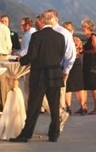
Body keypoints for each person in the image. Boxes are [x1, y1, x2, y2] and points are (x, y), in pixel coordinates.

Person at [10, 11, 65, 143]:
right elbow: (61, 55)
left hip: (39, 75)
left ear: (42, 21)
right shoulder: (60, 37)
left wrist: (21, 60)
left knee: (34, 106)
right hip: (55, 75)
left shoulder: (36, 36)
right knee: (54, 106)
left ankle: (26, 134)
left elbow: (32, 56)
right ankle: (54, 134)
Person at [61, 22, 85, 115]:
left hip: (67, 62)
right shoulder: (76, 40)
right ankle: (83, 106)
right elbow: (81, 50)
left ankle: (68, 107)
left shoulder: (63, 39)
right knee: (79, 86)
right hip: (77, 61)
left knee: (68, 87)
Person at [81, 19, 96, 115]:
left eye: (84, 27)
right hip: (88, 63)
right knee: (86, 85)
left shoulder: (93, 36)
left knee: (93, 86)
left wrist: (85, 51)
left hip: (92, 63)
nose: (83, 29)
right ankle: (84, 106)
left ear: (89, 28)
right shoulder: (89, 37)